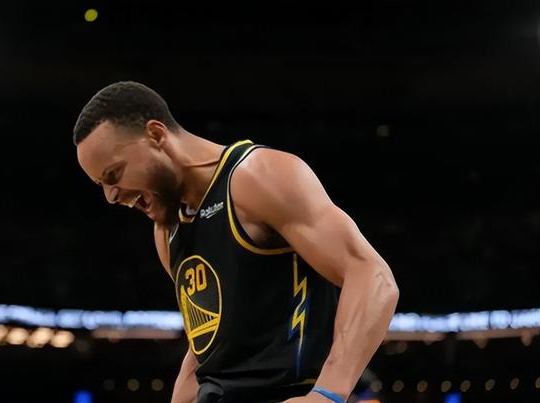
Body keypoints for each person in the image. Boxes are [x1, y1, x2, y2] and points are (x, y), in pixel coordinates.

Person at [73, 81, 399, 403]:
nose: (111, 197)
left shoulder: (257, 176)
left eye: (114, 174)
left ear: (156, 135)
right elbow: (208, 347)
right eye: (101, 185)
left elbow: (371, 275)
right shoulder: (167, 231)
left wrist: (328, 393)